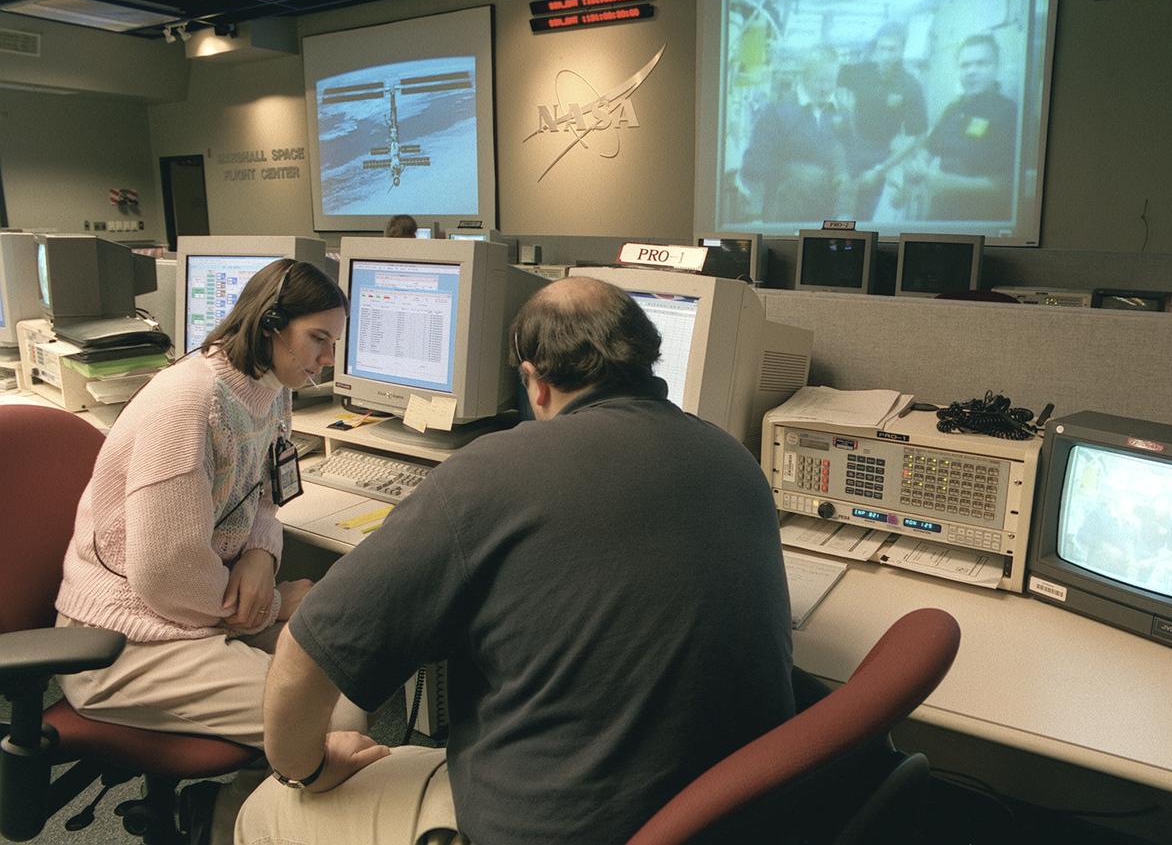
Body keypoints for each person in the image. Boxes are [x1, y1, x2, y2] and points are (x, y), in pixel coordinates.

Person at [236, 276, 795, 845]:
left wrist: (307, 768)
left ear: (535, 382)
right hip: (726, 819)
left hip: (554, 826)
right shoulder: (738, 462)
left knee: (262, 812)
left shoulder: (494, 470)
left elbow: (305, 655)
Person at [54, 258, 365, 845]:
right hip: (121, 639)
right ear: (271, 324)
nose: (327, 358)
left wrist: (261, 556)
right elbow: (163, 574)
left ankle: (220, 817)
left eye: (332, 342)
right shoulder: (189, 402)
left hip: (200, 607)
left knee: (344, 667)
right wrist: (274, 603)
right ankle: (229, 829)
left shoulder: (270, 389)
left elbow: (270, 500)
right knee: (333, 720)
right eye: (318, 340)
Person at [739, 47, 865, 223]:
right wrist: (790, 171)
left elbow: (855, 161)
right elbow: (752, 164)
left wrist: (845, 176)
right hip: (784, 218)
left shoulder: (843, 114)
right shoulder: (777, 111)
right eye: (820, 81)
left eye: (831, 81)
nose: (826, 88)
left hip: (828, 220)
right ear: (804, 77)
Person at [907, 34, 1017, 221]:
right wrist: (920, 163)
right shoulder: (954, 108)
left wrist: (949, 183)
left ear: (997, 68)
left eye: (981, 64)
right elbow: (929, 146)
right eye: (965, 65)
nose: (971, 71)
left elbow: (1010, 183)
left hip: (981, 221)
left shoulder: (1009, 113)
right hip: (941, 215)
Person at [837, 22, 927, 218]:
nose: (885, 55)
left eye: (891, 49)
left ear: (902, 49)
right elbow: (830, 81)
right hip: (847, 145)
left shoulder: (910, 86)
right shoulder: (860, 71)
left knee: (862, 216)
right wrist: (843, 106)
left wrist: (881, 170)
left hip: (879, 154)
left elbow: (917, 136)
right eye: (881, 49)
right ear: (876, 48)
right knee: (834, 208)